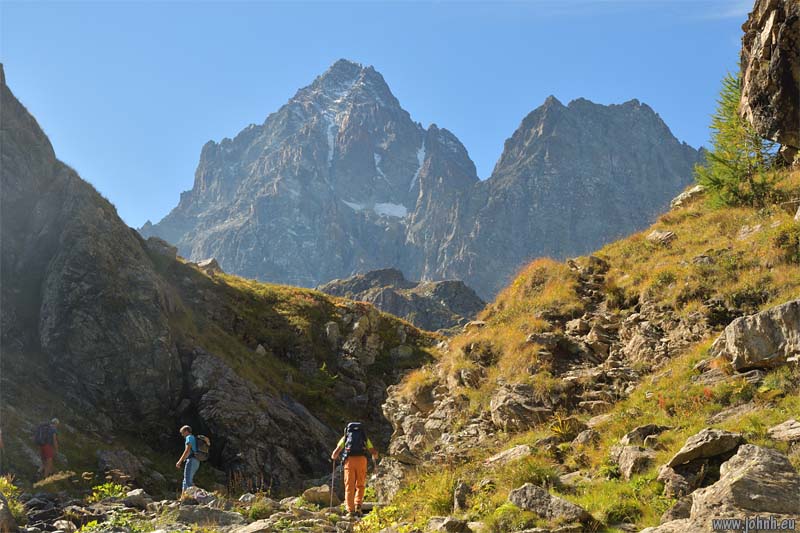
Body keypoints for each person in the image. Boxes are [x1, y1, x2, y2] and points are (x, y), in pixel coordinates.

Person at [330, 422, 378, 518]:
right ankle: (358, 507)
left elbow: (335, 453)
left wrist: (334, 457)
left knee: (349, 486)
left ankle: (350, 510)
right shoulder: (364, 437)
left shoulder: (346, 437)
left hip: (349, 461)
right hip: (362, 461)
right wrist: (375, 457)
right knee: (360, 485)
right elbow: (373, 451)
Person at [176, 425, 200, 493]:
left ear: (186, 431)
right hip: (196, 461)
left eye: (182, 433)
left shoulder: (189, 437)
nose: (182, 435)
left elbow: (187, 450)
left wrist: (179, 461)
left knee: (188, 481)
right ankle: (183, 497)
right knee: (186, 480)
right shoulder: (194, 438)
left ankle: (199, 495)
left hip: (192, 460)